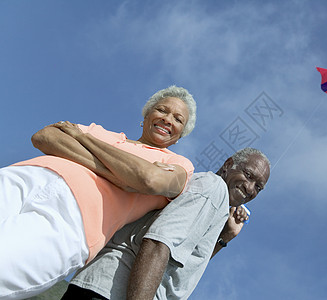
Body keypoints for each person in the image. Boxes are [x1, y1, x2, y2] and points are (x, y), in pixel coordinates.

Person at [0, 86, 197, 300]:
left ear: (179, 136)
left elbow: (148, 179)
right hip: (25, 177)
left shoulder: (178, 164)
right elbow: (45, 136)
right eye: (162, 110)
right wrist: (121, 176)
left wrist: (82, 139)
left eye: (178, 119)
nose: (168, 119)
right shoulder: (102, 131)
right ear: (146, 115)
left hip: (74, 220)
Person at [61, 147, 271, 300]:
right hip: (108, 293)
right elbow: (157, 243)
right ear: (227, 165)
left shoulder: (214, 202)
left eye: (258, 187)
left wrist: (224, 237)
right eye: (248, 175)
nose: (250, 188)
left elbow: (183, 267)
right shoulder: (213, 190)